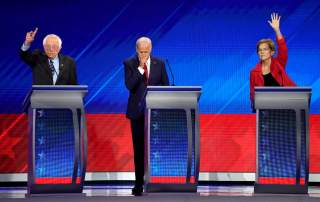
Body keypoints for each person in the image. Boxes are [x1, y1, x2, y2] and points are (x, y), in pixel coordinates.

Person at [124, 37, 169, 196]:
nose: (144, 54)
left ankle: (156, 182)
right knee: (139, 150)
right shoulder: (129, 63)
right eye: (141, 52)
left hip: (155, 113)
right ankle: (138, 184)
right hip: (137, 113)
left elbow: (166, 87)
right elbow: (130, 85)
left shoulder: (160, 63)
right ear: (137, 50)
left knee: (155, 149)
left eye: (146, 51)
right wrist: (141, 68)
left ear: (151, 49)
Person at [250, 13, 295, 108]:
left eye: (265, 49)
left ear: (272, 52)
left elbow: (283, 49)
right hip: (267, 108)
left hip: (288, 103)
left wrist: (277, 30)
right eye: (260, 50)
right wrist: (255, 105)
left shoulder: (279, 64)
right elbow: (253, 94)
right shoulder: (254, 72)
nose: (261, 52)